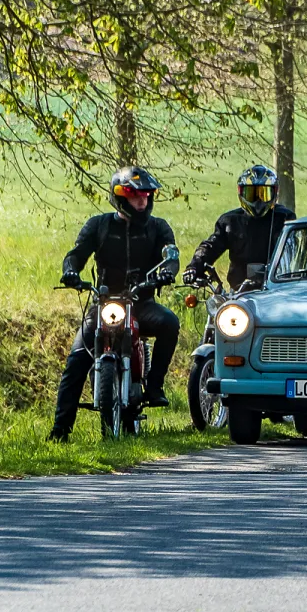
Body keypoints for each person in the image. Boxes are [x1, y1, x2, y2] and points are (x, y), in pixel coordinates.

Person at [50, 167, 181, 440]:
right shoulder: (98, 226)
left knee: (170, 322)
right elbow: (76, 255)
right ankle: (60, 430)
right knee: (77, 358)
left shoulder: (158, 227)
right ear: (120, 196)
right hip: (104, 304)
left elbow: (171, 255)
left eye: (146, 196)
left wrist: (168, 271)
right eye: (135, 196)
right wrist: (70, 271)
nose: (142, 201)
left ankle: (154, 386)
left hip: (141, 303)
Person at [184, 165, 296, 291]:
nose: (258, 201)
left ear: (274, 193)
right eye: (252, 195)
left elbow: (295, 251)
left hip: (277, 290)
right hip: (239, 292)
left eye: (263, 194)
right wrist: (194, 267)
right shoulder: (229, 221)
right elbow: (210, 246)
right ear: (241, 193)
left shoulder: (284, 218)